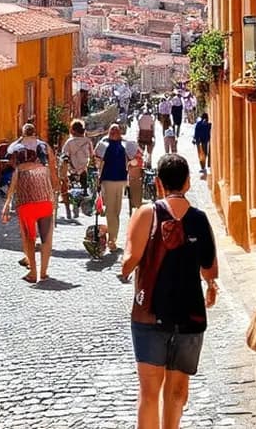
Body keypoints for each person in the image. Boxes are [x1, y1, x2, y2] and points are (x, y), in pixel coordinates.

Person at [120, 154, 218, 429]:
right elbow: (210, 268)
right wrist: (210, 286)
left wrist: (125, 266)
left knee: (149, 395)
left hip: (150, 313)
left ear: (159, 184)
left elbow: (128, 262)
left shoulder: (146, 214)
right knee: (176, 394)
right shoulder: (199, 219)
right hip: (190, 315)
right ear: (187, 183)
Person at [0, 123, 57, 282]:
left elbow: (12, 185)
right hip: (45, 196)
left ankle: (33, 272)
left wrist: (7, 202)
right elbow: (53, 170)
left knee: (29, 236)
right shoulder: (45, 148)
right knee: (46, 237)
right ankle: (44, 272)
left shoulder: (18, 159)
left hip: (26, 200)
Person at [94, 124, 140, 252]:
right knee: (110, 210)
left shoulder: (126, 145)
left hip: (121, 180)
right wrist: (98, 180)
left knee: (117, 210)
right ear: (108, 132)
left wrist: (133, 163)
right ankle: (111, 240)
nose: (114, 132)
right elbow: (98, 163)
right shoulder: (103, 145)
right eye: (112, 130)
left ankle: (112, 236)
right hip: (108, 180)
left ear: (120, 132)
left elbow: (133, 160)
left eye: (116, 130)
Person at [60, 120, 96, 218]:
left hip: (72, 169)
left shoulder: (69, 142)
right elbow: (92, 155)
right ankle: (83, 204)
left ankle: (71, 208)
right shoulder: (87, 141)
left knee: (69, 188)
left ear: (73, 130)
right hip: (84, 169)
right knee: (84, 188)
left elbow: (64, 155)